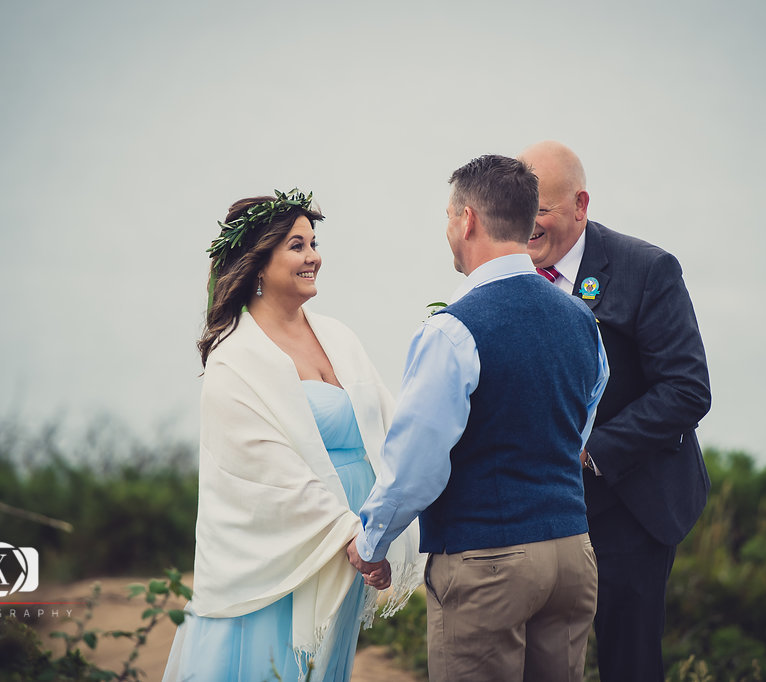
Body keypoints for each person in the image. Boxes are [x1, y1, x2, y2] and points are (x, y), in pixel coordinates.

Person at [346, 156, 610, 682]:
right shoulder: (581, 319)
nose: (447, 228)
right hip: (572, 554)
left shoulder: (453, 331)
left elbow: (417, 461)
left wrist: (372, 542)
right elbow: (579, 424)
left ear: (467, 220)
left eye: (448, 216)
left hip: (489, 560)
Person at [162, 190, 423, 682]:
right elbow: (263, 470)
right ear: (259, 263)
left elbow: (391, 425)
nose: (313, 257)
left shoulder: (338, 336)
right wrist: (348, 533)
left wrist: (385, 524)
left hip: (353, 546)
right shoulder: (234, 357)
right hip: (286, 549)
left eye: (314, 243)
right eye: (297, 246)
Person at [518, 140, 712, 681]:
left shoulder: (647, 269)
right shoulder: (507, 272)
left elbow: (688, 389)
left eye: (541, 211)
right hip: (541, 507)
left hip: (631, 501)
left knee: (628, 661)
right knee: (544, 659)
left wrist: (589, 453)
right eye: (516, 209)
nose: (526, 225)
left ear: (581, 205)